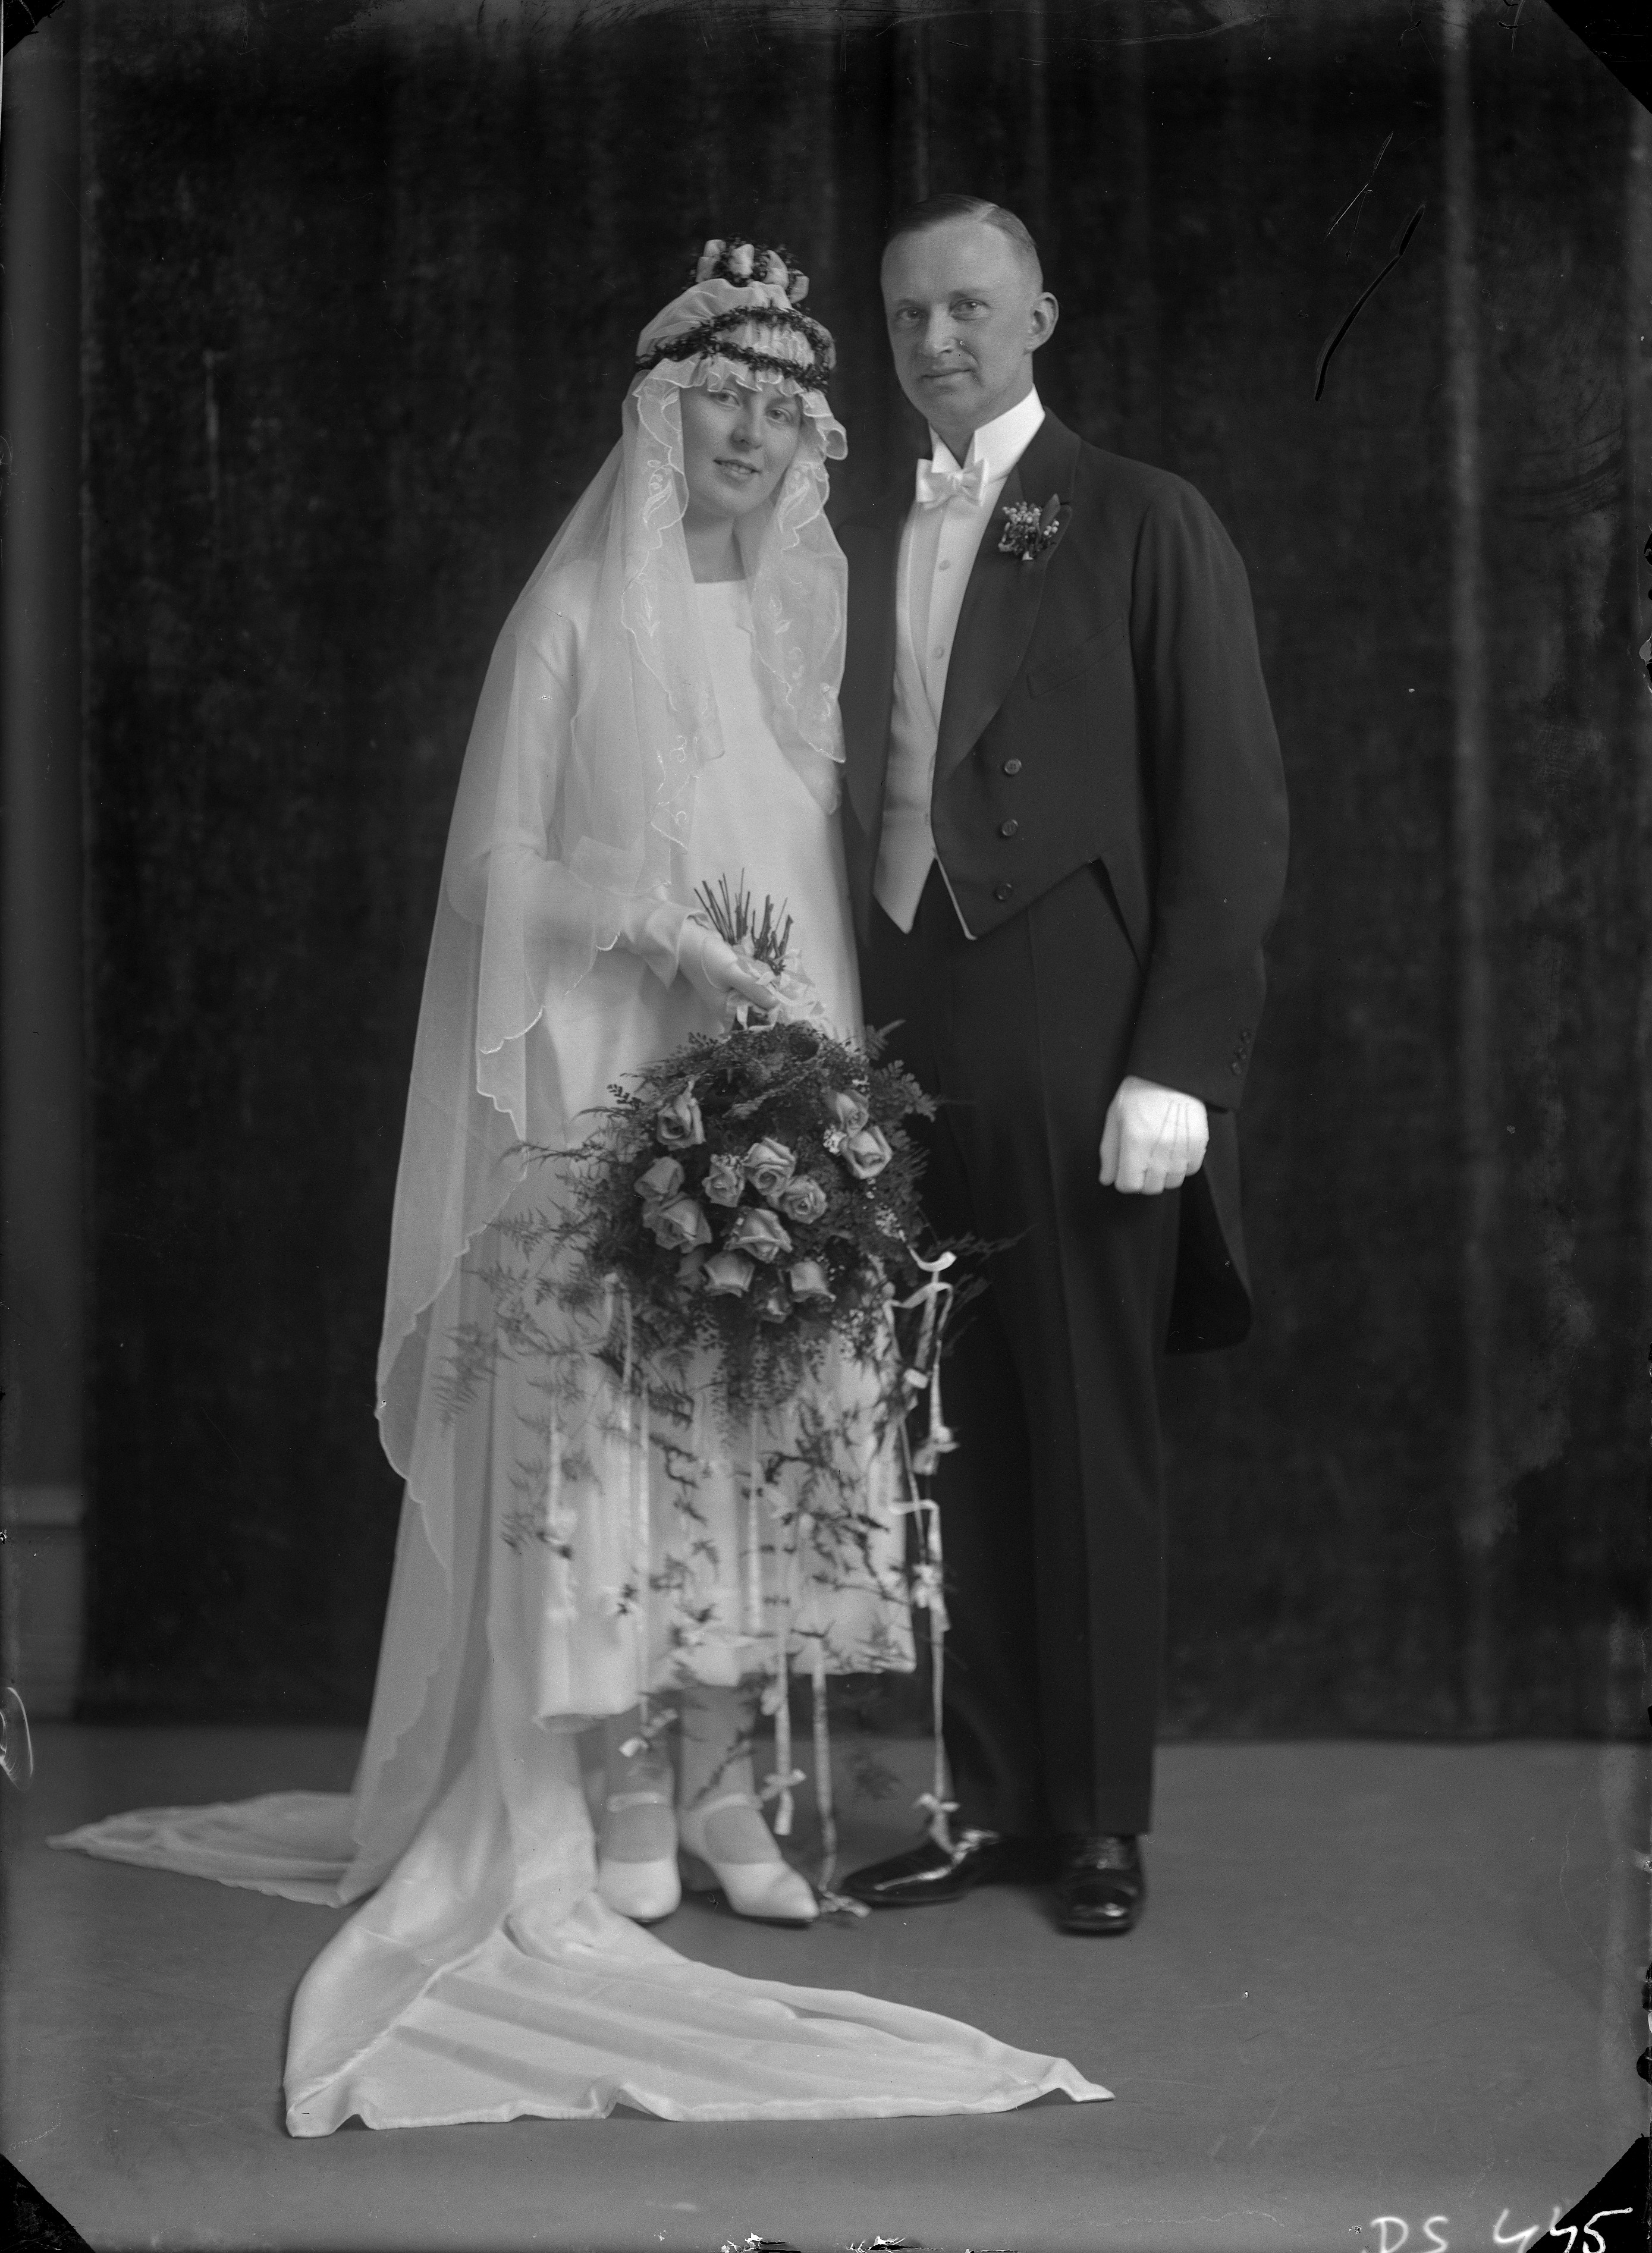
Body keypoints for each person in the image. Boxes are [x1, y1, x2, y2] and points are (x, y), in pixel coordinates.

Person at [52, 237, 1107, 2129]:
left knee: (760, 1418)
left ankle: (722, 1785)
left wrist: (815, 1070)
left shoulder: (800, 624)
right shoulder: (568, 619)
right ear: (659, 412)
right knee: (625, 1430)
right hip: (614, 1081)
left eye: (782, 411)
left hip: (781, 1082)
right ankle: (616, 1786)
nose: (750, 436)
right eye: (722, 402)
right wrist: (654, 934)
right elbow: (493, 871)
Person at [838, 196, 1289, 1936]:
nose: (934, 339)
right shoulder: (856, 531)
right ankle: (987, 1804)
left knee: (1088, 1427)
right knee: (945, 1429)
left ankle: (1096, 1821)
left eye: (967, 306)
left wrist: (1179, 1064)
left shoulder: (1144, 517)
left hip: (1081, 1023)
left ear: (1040, 315)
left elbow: (1230, 809)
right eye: (905, 314)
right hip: (903, 1023)